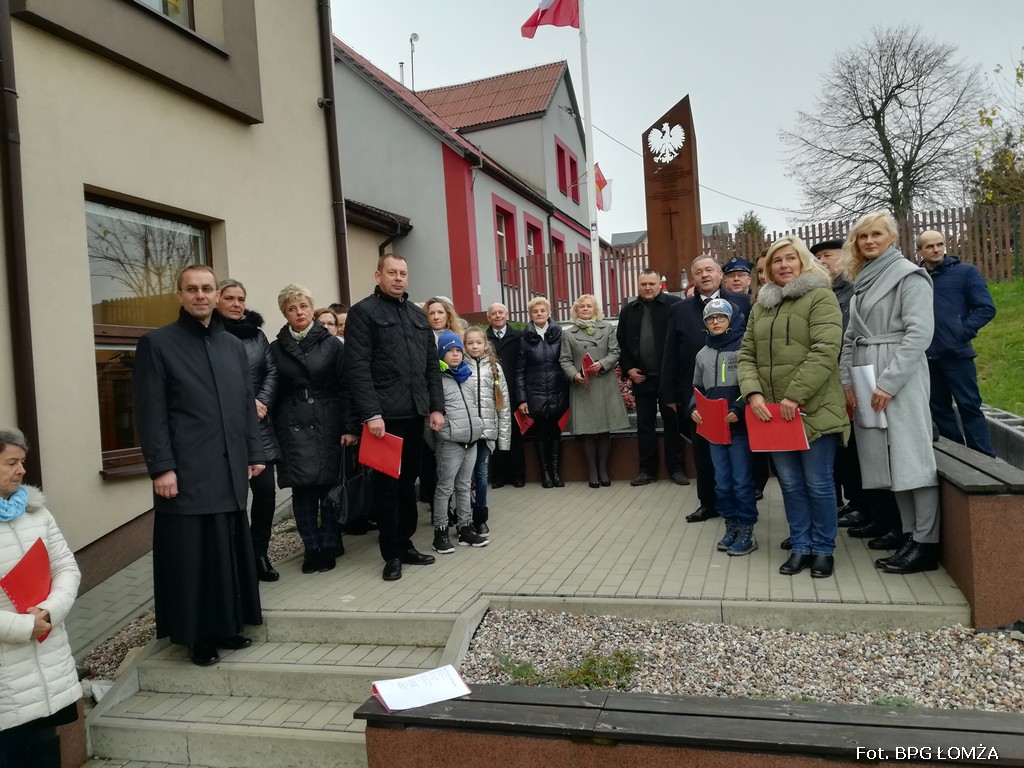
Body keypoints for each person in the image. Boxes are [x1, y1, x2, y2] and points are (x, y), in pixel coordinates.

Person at [134, 264, 265, 667]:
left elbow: (245, 404)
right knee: (193, 556)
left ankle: (228, 625)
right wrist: (161, 468)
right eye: (192, 289)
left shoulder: (230, 346)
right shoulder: (158, 344)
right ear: (179, 295)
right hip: (185, 472)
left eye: (207, 288)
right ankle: (197, 637)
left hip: (228, 468)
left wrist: (255, 453)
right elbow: (150, 412)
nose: (200, 296)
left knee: (226, 549)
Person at [738, 237, 848, 579]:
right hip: (771, 415)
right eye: (776, 261)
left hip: (811, 410)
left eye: (790, 258)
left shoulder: (820, 296)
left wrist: (794, 396)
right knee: (790, 485)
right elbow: (746, 356)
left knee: (818, 483)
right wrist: (753, 394)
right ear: (768, 268)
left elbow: (825, 350)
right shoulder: (760, 306)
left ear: (803, 262)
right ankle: (800, 546)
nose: (783, 265)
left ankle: (823, 550)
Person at [840, 213, 941, 575]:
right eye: (862, 235)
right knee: (887, 459)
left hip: (900, 376)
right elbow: (851, 336)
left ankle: (926, 542)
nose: (869, 241)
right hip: (867, 374)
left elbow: (919, 333)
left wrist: (889, 383)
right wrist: (848, 381)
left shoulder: (909, 276)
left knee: (911, 456)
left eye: (876, 234)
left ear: (892, 237)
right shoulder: (862, 281)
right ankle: (909, 533)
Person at [345, 254, 443, 581]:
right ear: (378, 275)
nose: (398, 278)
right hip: (383, 420)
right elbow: (357, 370)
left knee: (407, 484)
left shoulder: (417, 316)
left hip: (414, 414)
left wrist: (436, 407)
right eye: (392, 272)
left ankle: (406, 543)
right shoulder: (363, 313)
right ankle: (391, 554)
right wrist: (371, 413)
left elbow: (432, 367)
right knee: (385, 487)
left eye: (403, 273)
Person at [812, 240, 902, 549]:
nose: (823, 260)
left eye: (828, 255)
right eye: (818, 257)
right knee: (855, 448)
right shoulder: (831, 291)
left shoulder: (853, 288)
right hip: (846, 377)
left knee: (875, 446)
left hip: (870, 375)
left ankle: (887, 517)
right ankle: (869, 507)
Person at [0, 429, 82, 768]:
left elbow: (66, 567)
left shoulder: (36, 512)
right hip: (7, 679)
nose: (21, 470)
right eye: (11, 463)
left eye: (23, 462)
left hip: (47, 664)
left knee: (46, 752)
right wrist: (23, 626)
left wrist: (49, 610)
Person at [663, 255, 750, 522]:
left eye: (709, 269)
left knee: (739, 454)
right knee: (703, 452)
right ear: (693, 278)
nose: (704, 275)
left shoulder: (742, 303)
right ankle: (708, 503)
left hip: (736, 392)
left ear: (719, 274)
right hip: (698, 394)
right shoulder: (680, 310)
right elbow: (670, 352)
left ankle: (743, 504)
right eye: (698, 271)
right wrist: (669, 394)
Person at [271, 285, 347, 575]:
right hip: (292, 425)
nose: (299, 312)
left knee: (328, 489)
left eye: (303, 306)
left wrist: (350, 426)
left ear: (311, 308)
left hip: (328, 422)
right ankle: (311, 548)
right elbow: (273, 389)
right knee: (302, 492)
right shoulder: (275, 348)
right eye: (292, 308)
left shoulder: (331, 344)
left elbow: (347, 387)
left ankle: (328, 546)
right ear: (284, 313)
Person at [216, 279, 282, 582]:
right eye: (229, 298)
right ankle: (236, 557)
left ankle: (260, 554)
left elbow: (271, 371)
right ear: (217, 300)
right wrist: (244, 405)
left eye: (240, 299)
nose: (235, 304)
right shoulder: (211, 335)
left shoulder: (257, 335)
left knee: (266, 492)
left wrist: (261, 400)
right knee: (234, 499)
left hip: (260, 428)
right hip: (226, 429)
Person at [917, 230, 996, 457]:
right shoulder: (917, 278)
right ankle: (957, 458)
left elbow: (986, 308)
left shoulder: (965, 273)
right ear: (920, 251)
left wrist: (962, 331)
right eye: (930, 246)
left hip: (957, 353)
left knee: (969, 406)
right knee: (939, 410)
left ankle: (984, 458)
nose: (936, 249)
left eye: (940, 244)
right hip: (926, 356)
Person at [688, 300, 757, 556]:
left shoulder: (743, 348)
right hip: (714, 430)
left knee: (741, 481)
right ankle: (731, 525)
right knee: (722, 482)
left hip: (738, 429)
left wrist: (738, 409)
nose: (715, 322)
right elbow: (697, 388)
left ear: (732, 319)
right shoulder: (702, 353)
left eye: (720, 317)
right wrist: (693, 407)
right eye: (710, 319)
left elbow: (751, 385)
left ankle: (747, 527)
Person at [616, 267, 686, 486]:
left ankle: (676, 469)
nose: (647, 288)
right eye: (643, 284)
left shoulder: (674, 306)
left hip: (668, 379)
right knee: (644, 426)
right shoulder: (629, 310)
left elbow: (680, 340)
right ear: (638, 285)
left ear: (660, 285)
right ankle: (646, 470)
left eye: (651, 284)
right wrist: (628, 368)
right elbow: (621, 343)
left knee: (672, 424)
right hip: (641, 378)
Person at [429, 331, 490, 553]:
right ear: (441, 354)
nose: (455, 355)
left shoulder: (467, 376)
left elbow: (474, 405)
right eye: (449, 351)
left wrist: (479, 426)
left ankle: (465, 528)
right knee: (445, 487)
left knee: (465, 486)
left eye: (457, 350)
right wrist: (445, 432)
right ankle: (441, 532)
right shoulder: (437, 379)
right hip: (451, 441)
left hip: (471, 440)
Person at [560, 293, 629, 488]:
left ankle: (603, 468)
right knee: (588, 430)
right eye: (581, 306)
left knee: (605, 429)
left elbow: (615, 352)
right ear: (575, 311)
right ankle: (592, 470)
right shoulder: (568, 333)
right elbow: (564, 359)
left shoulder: (607, 328)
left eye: (589, 306)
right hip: (583, 387)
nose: (585, 309)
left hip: (604, 383)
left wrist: (602, 364)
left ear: (595, 309)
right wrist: (574, 375)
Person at [515, 296, 569, 489]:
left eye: (542, 310)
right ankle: (545, 474)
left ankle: (556, 473)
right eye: (535, 311)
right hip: (535, 394)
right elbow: (520, 371)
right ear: (530, 315)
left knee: (555, 434)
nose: (539, 314)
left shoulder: (561, 335)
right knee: (541, 434)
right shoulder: (525, 339)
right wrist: (522, 399)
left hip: (558, 392)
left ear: (549, 312)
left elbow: (566, 362)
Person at [464, 326, 511, 536]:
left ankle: (480, 517)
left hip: (486, 433)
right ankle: (464, 516)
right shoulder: (459, 366)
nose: (474, 346)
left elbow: (504, 404)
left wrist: (503, 439)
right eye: (470, 343)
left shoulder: (495, 369)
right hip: (465, 433)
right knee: (464, 478)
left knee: (481, 476)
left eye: (478, 342)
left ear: (486, 344)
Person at [420, 297, 462, 510]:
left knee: (452, 457)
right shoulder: (420, 338)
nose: (436, 317)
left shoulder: (456, 338)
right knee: (430, 455)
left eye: (440, 312)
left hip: (454, 407)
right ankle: (437, 505)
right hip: (427, 405)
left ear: (448, 315)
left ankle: (456, 505)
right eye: (431, 313)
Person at [486, 303, 525, 488]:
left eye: (500, 312)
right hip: (492, 394)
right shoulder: (484, 338)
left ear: (507, 315)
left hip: (514, 392)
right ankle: (500, 476)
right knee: (496, 434)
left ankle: (518, 475)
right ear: (489, 318)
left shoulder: (518, 336)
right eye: (493, 313)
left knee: (515, 435)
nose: (497, 316)